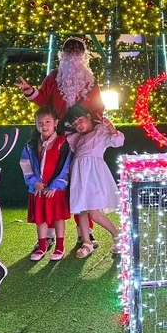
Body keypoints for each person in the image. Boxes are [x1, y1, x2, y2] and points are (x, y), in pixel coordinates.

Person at [15, 37, 105, 243]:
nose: (73, 53)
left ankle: (85, 232)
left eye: (77, 49)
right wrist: (30, 91)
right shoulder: (54, 77)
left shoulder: (91, 81)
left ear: (84, 54)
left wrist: (97, 130)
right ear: (62, 54)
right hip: (57, 139)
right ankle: (49, 232)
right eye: (69, 49)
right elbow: (42, 100)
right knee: (51, 179)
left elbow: (98, 110)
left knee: (81, 185)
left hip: (81, 142)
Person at [67, 108, 124, 259]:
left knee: (94, 213)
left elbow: (118, 141)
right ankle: (87, 242)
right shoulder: (77, 138)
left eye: (80, 120)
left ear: (88, 116)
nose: (78, 125)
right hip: (80, 178)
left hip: (93, 177)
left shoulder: (100, 132)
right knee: (82, 211)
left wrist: (110, 126)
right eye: (74, 124)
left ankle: (117, 235)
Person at [20, 106, 72, 262]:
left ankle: (60, 246)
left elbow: (66, 167)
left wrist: (56, 186)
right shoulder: (30, 145)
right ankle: (42, 246)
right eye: (40, 123)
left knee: (58, 217)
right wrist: (34, 182)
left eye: (48, 122)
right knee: (40, 218)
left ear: (55, 123)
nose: (44, 126)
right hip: (38, 190)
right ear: (36, 125)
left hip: (56, 190)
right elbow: (25, 164)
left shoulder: (63, 143)